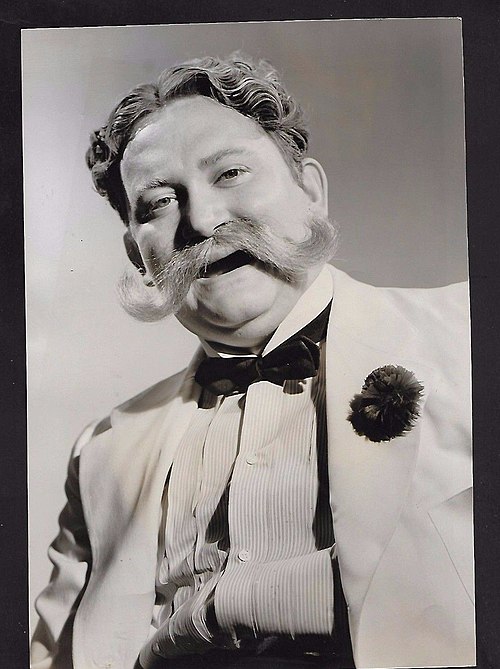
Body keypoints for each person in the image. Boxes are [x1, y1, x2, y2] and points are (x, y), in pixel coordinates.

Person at [31, 55, 474, 669]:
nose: (204, 220)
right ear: (139, 256)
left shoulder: (469, 337)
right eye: (158, 203)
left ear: (311, 190)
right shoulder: (102, 449)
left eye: (231, 173)